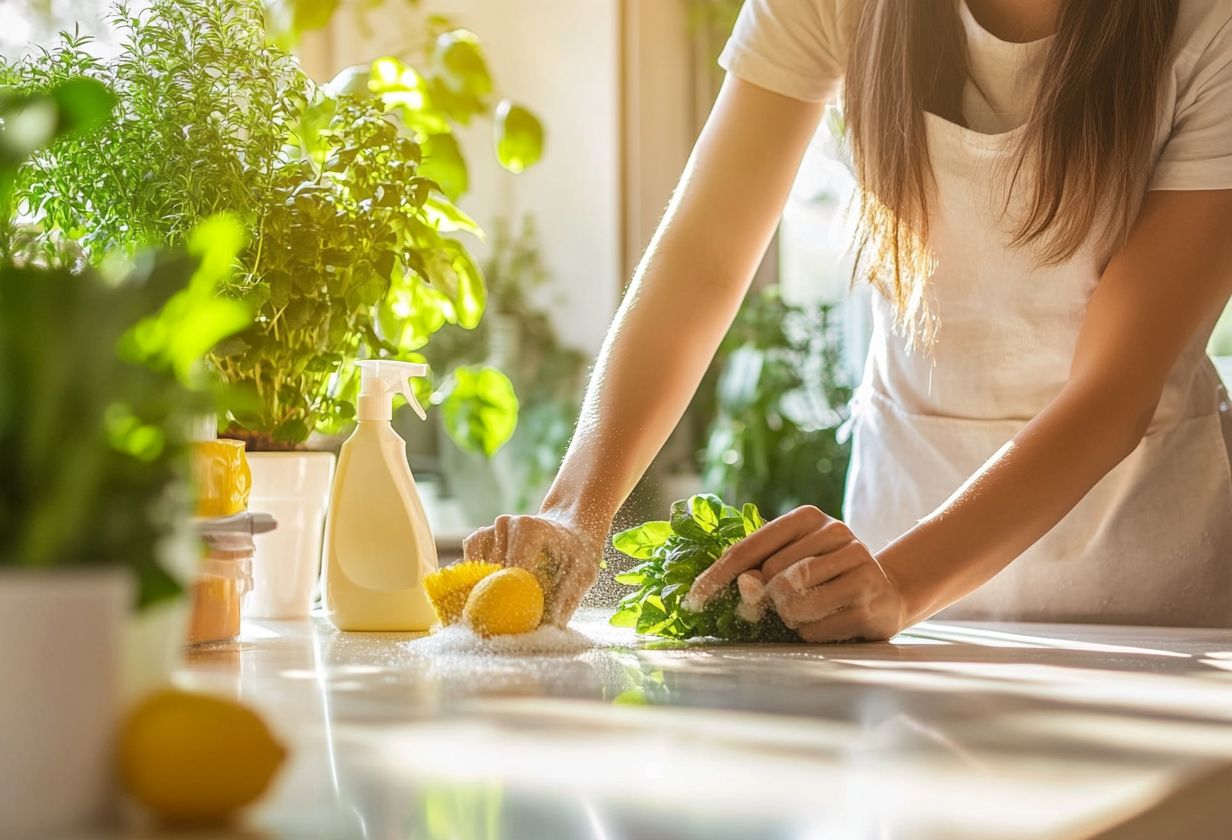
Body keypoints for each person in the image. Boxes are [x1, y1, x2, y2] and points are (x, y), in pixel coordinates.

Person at [465, 0, 1232, 640]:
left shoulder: (1209, 23)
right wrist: (574, 515)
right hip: (890, 589)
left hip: (1143, 605)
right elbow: (702, 260)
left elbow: (1114, 390)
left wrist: (901, 580)